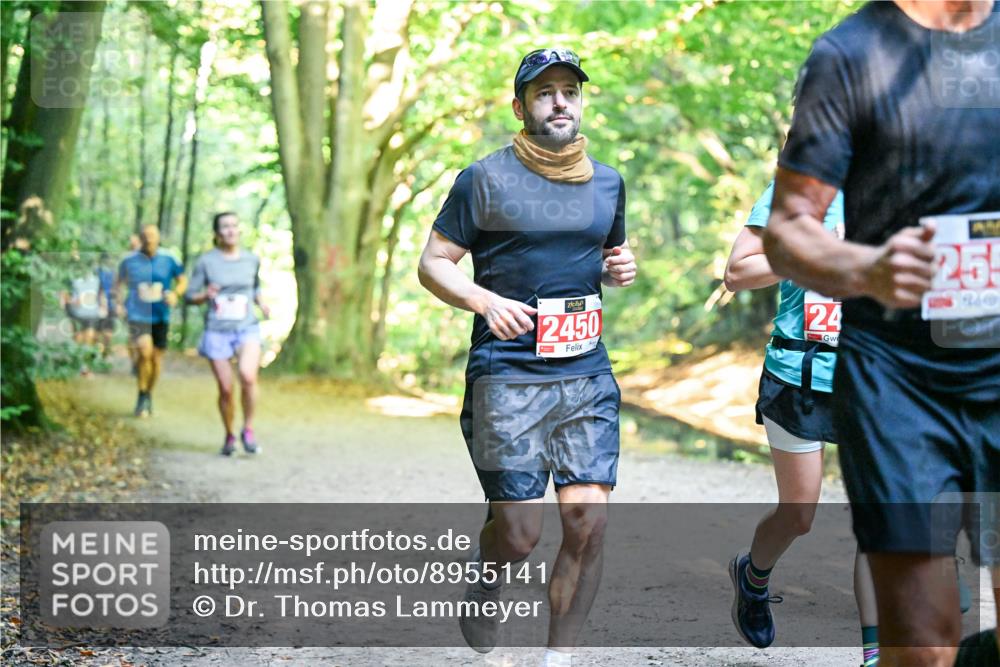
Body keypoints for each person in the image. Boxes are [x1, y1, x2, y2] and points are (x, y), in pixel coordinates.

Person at [762, 2, 1000, 665]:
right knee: (924, 643)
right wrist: (866, 267)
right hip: (899, 383)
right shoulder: (850, 56)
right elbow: (786, 231)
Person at [417, 47, 636, 667]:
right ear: (521, 107)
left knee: (587, 526)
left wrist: (618, 268)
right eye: (544, 92)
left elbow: (606, 257)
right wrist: (483, 300)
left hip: (586, 373)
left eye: (569, 89)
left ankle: (557, 658)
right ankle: (489, 579)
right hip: (507, 375)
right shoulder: (484, 179)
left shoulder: (609, 182)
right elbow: (432, 263)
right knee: (519, 534)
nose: (559, 101)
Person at [725, 181, 879, 666]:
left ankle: (876, 653)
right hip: (799, 375)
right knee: (799, 514)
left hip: (874, 379)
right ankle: (752, 576)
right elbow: (737, 272)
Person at [185, 212, 269, 456]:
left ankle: (248, 429)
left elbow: (255, 287)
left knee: (247, 376)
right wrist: (204, 295)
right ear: (217, 233)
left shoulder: (251, 260)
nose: (231, 230)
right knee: (225, 388)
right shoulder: (206, 262)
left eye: (234, 225)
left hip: (246, 327)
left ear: (239, 230)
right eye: (225, 227)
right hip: (217, 330)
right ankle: (229, 434)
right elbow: (190, 295)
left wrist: (261, 304)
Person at [117, 224, 186, 418]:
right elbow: (118, 284)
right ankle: (141, 393)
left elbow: (182, 280)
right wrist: (119, 304)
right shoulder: (129, 261)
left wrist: (175, 294)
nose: (149, 240)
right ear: (140, 238)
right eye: (145, 236)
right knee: (144, 352)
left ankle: (148, 393)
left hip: (160, 315)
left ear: (158, 238)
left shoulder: (169, 259)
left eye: (152, 236)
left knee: (156, 359)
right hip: (137, 315)